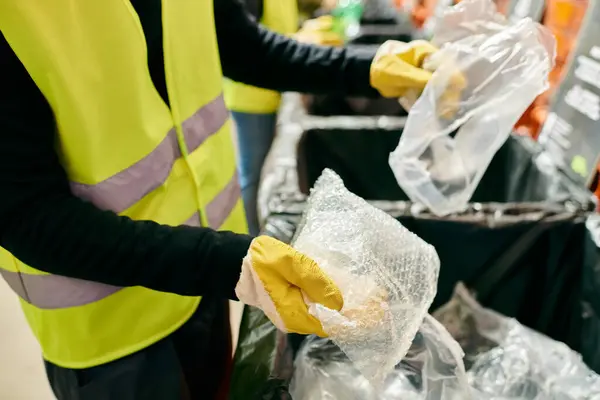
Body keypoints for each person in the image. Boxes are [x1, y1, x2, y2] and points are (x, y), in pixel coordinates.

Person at [0, 0, 438, 399]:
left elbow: (242, 46)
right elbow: (26, 215)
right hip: (110, 330)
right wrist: (225, 261)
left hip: (207, 287)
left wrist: (364, 69)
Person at [224, 0, 300, 236]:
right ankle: (249, 238)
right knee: (252, 174)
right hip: (251, 97)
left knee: (256, 171)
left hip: (268, 90)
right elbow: (249, 45)